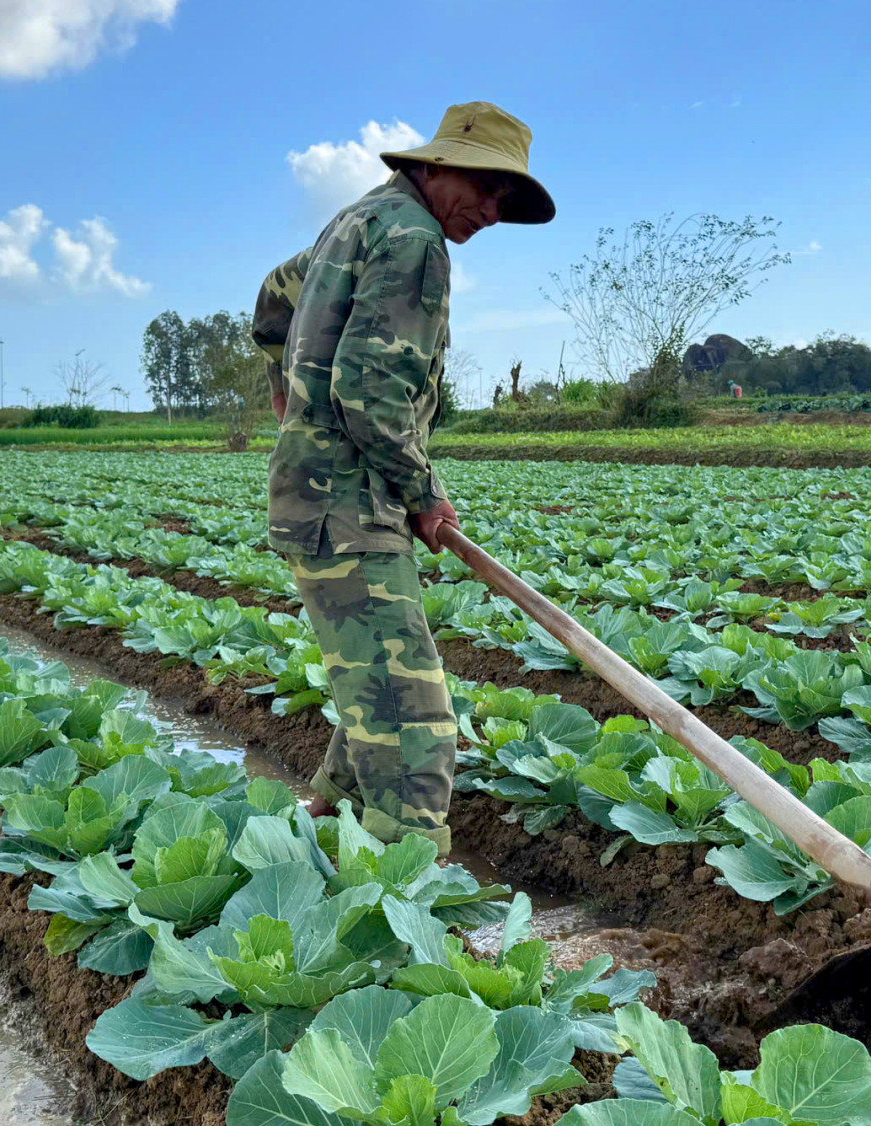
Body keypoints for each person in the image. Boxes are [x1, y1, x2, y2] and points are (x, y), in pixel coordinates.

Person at [251, 101, 554, 855]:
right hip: (350, 507)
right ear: (434, 164)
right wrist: (425, 493)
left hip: (322, 504)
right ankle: (399, 919)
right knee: (415, 732)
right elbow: (369, 391)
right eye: (483, 187)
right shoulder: (416, 239)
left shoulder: (355, 221)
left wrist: (286, 393)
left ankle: (312, 834)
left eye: (504, 201)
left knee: (381, 691)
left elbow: (271, 300)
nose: (490, 209)